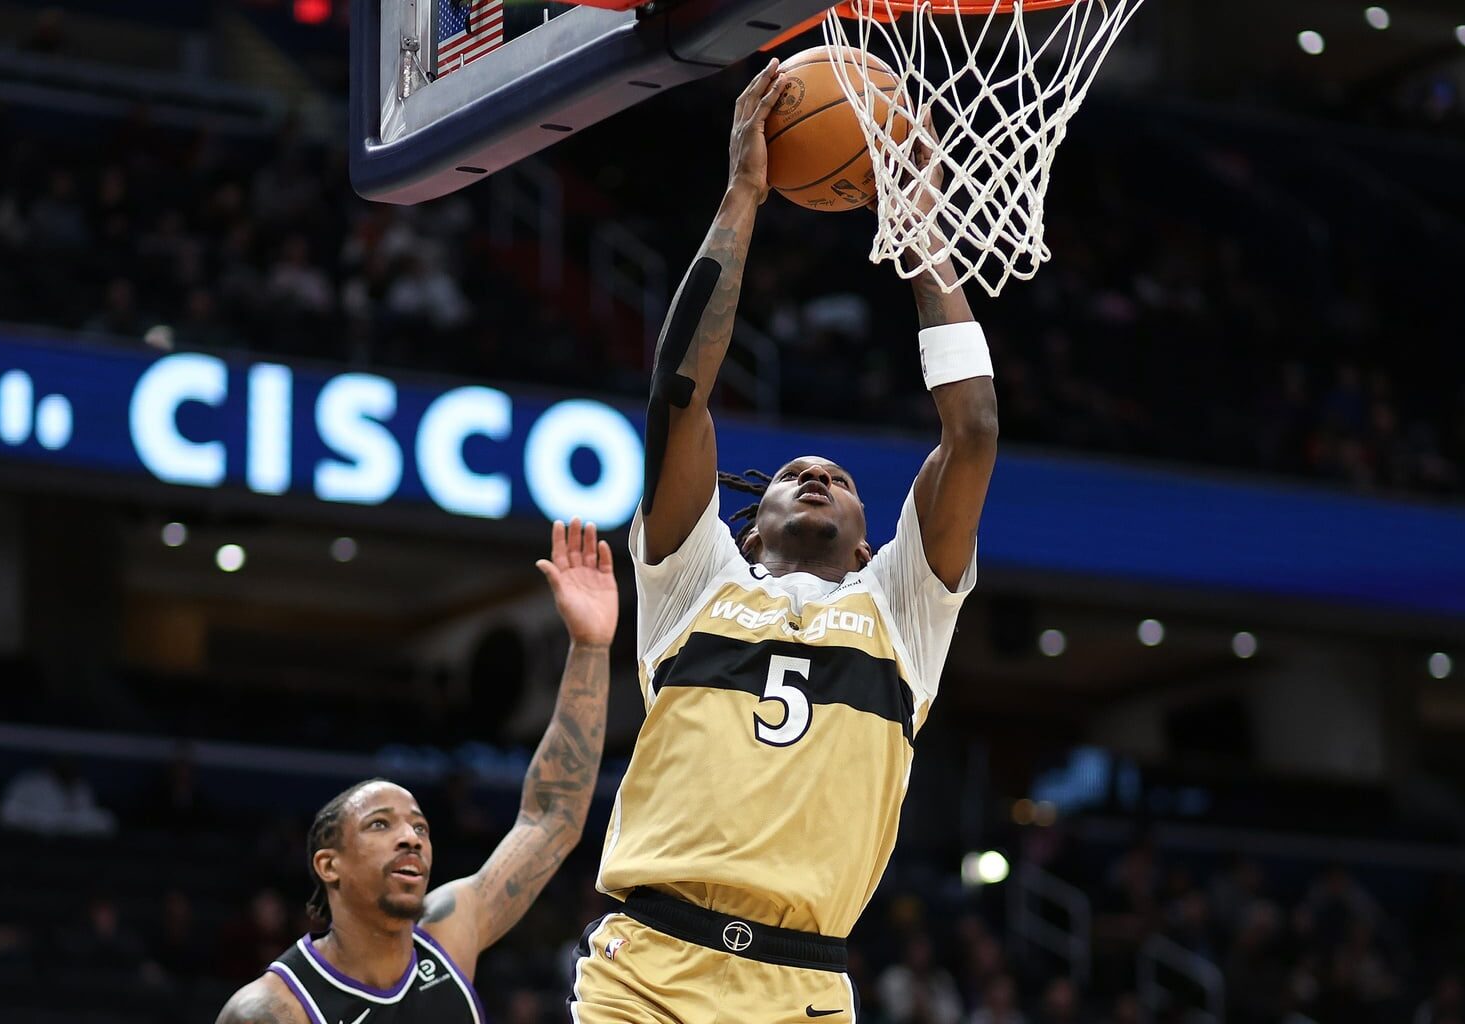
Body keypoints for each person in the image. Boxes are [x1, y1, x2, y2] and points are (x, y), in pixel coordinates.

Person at [567, 60, 998, 1021]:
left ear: (868, 545)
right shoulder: (692, 581)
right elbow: (678, 396)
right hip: (646, 970)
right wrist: (742, 198)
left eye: (838, 480)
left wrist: (919, 228)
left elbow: (971, 433)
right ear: (747, 526)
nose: (816, 476)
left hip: (802, 984)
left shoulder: (901, 608)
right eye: (795, 474)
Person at [216, 518, 618, 1024]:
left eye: (420, 827)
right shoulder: (272, 1010)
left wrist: (589, 647)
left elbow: (552, 815)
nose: (410, 838)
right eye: (380, 824)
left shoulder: (449, 934)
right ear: (329, 865)